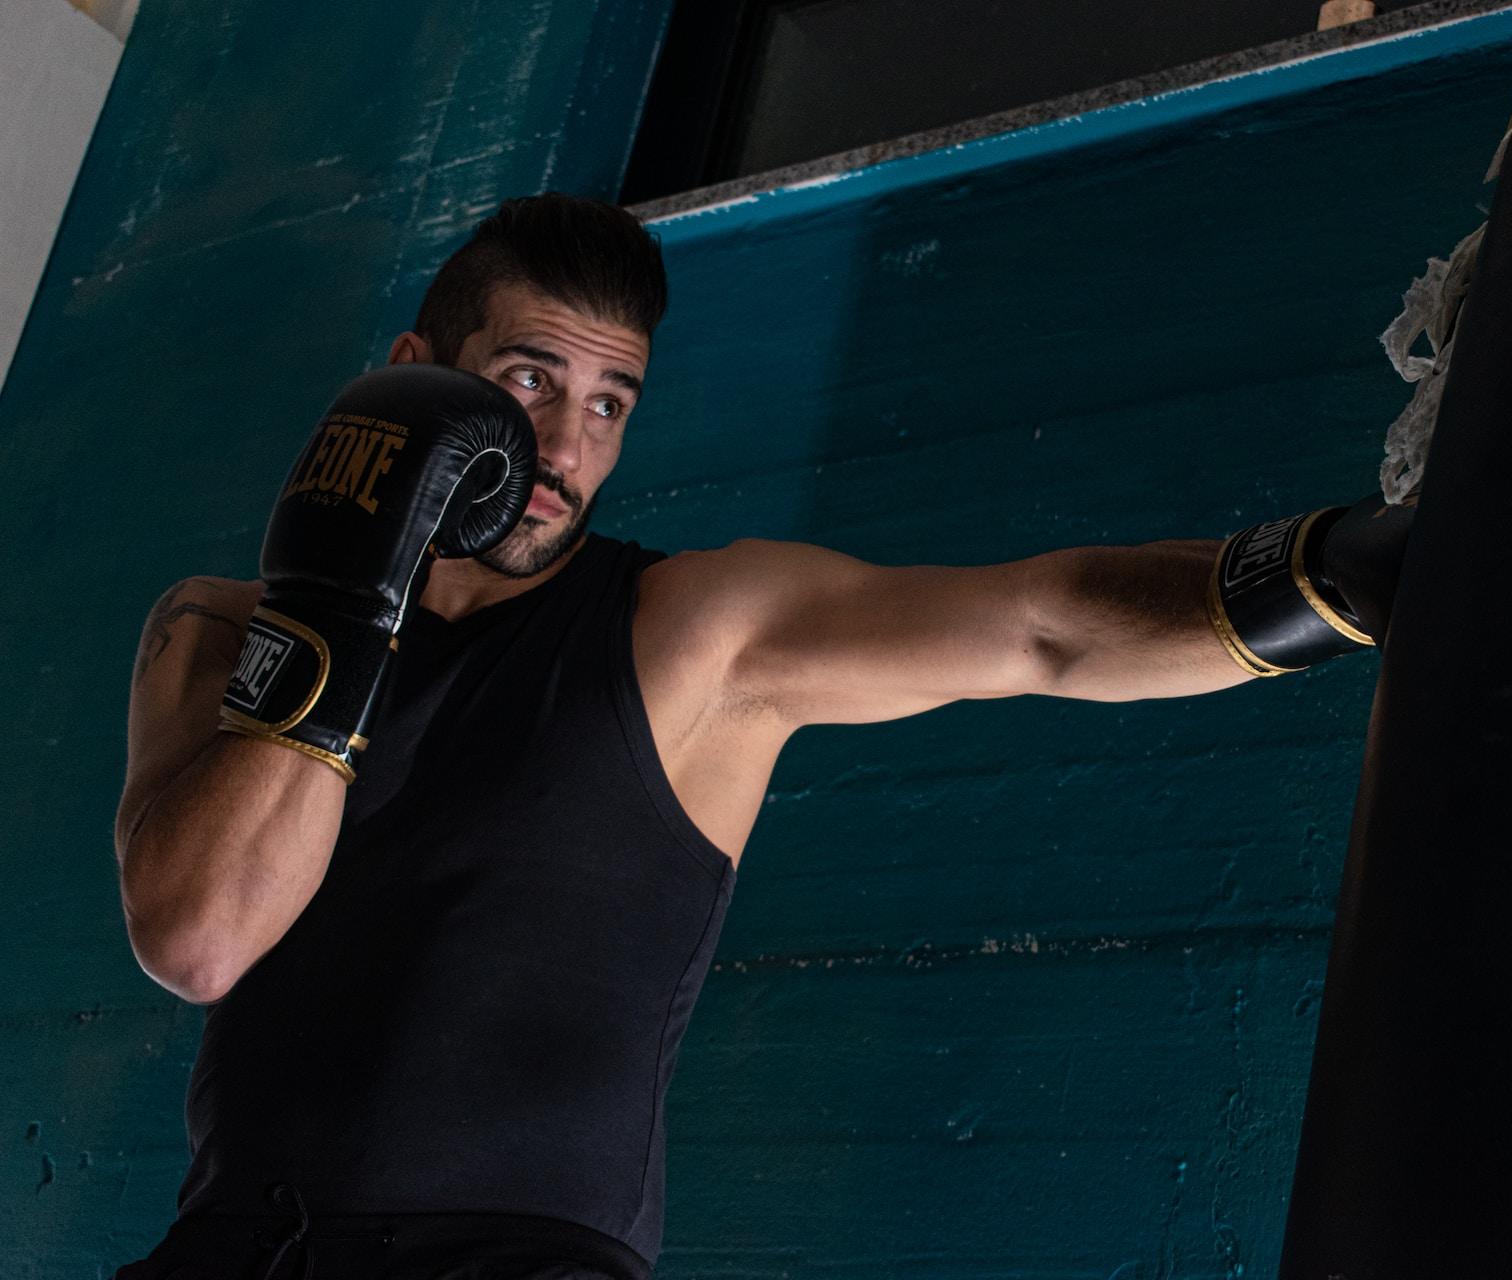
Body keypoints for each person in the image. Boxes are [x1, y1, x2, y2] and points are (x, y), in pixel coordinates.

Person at [113, 193, 1412, 1279]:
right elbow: (202, 934)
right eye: (527, 381)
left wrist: (1342, 577)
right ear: (417, 374)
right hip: (228, 1251)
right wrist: (346, 586)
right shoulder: (222, 626)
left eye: (612, 403)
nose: (565, 446)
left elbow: (1040, 630)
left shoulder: (692, 631)